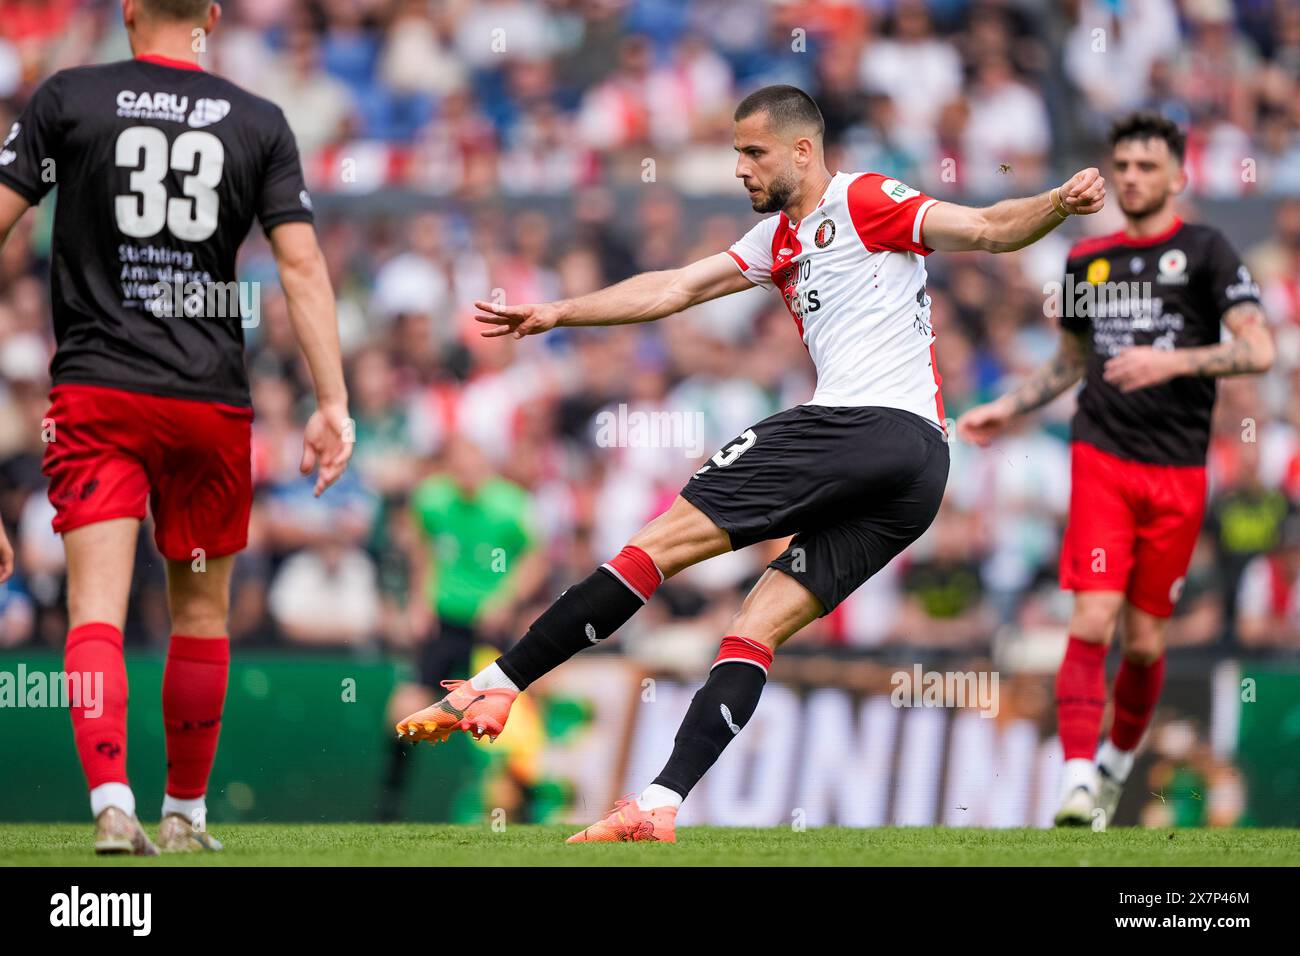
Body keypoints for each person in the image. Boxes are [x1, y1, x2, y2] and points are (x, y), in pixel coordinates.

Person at [397, 84, 1105, 842]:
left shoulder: (865, 198)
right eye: (736, 152)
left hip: (860, 424)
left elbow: (991, 228)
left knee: (657, 546)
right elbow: (672, 287)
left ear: (804, 150)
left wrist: (1057, 203)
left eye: (752, 152)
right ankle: (661, 802)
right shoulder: (777, 242)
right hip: (921, 471)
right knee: (754, 628)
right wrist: (560, 313)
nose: (739, 168)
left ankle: (496, 684)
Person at [0, 0, 352, 853]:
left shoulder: (68, 97)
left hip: (98, 393)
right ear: (213, 16)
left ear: (128, 12)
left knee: (96, 613)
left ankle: (112, 803)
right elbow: (300, 266)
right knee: (201, 616)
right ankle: (188, 816)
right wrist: (332, 400)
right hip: (209, 402)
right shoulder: (257, 119)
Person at [958, 111, 1273, 826]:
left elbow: (1259, 350)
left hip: (1179, 474)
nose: (1131, 177)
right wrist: (1006, 408)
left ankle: (1112, 771)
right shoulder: (1084, 263)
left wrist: (1176, 359)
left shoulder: (1207, 251)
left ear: (1178, 175)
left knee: (1145, 641)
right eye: (1122, 165)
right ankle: (1074, 779)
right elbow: (1070, 364)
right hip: (1102, 456)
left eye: (1146, 166)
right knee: (1093, 617)